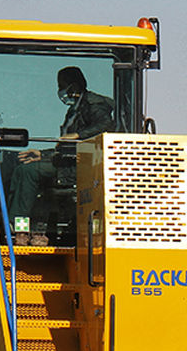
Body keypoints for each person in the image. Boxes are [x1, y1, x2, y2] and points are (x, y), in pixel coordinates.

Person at [8, 66, 114, 244]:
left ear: (73, 86)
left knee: (29, 172)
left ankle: (21, 227)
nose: (60, 91)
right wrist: (42, 154)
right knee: (21, 169)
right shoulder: (74, 110)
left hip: (80, 167)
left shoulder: (94, 105)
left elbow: (106, 124)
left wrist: (79, 135)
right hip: (68, 162)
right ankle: (17, 224)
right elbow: (65, 146)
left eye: (62, 85)